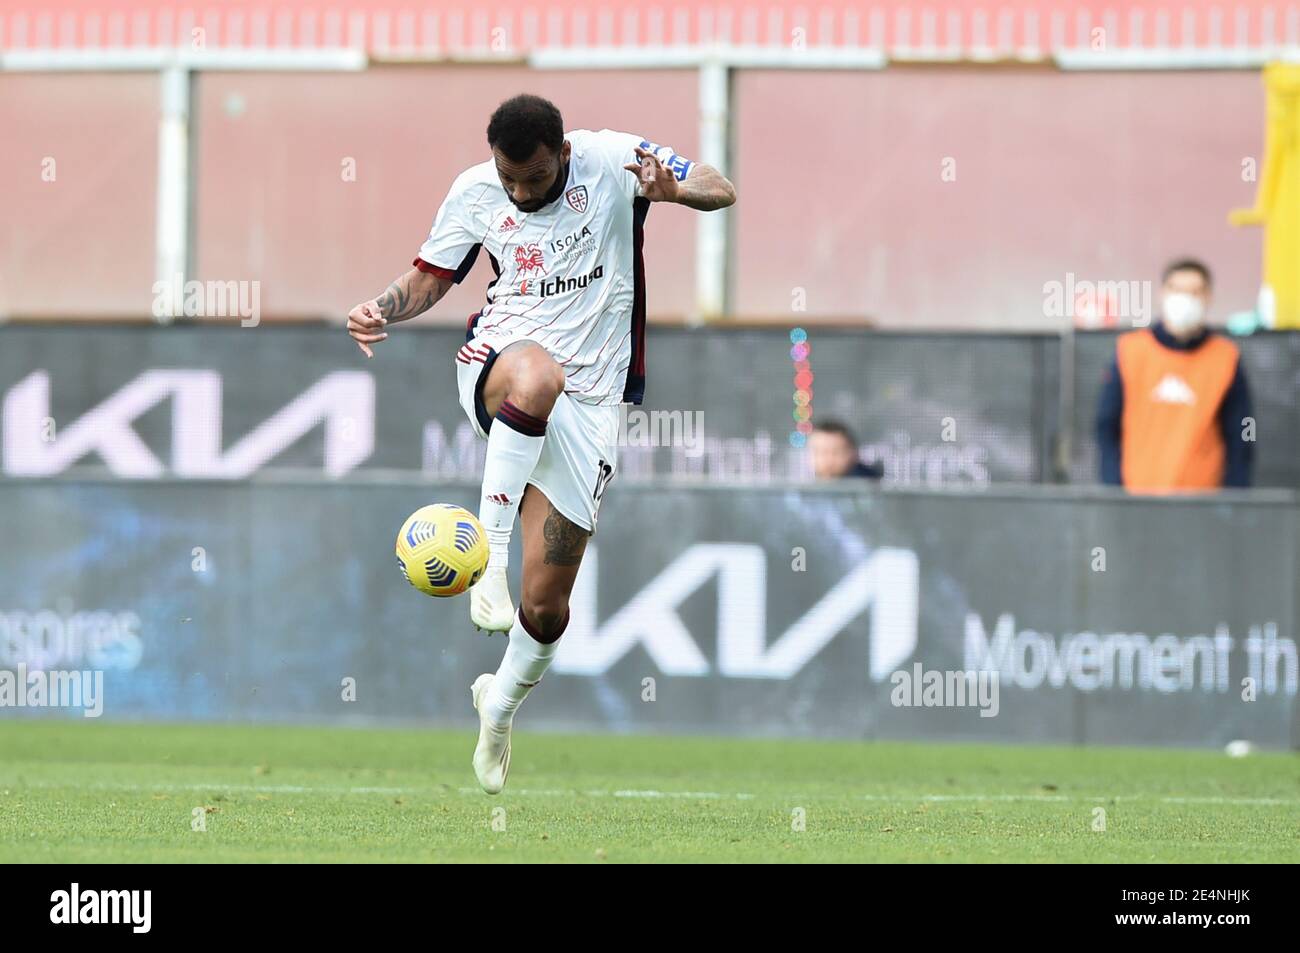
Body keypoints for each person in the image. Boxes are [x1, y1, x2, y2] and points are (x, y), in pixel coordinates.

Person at [346, 95, 736, 794]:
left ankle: (497, 707)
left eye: (534, 179)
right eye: (510, 180)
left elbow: (720, 184)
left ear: (562, 151)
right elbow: (432, 276)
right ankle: (487, 558)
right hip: (502, 362)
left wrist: (676, 191)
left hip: (592, 403)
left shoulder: (614, 157)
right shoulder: (474, 191)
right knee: (536, 372)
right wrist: (381, 306)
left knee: (549, 603)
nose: (521, 194)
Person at [1096, 258, 1254, 492]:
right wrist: (1113, 486)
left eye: (1195, 292)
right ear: (1163, 293)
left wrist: (1235, 494)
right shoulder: (1130, 351)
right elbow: (1106, 424)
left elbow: (1244, 429)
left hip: (1202, 503)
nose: (1186, 299)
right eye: (1178, 290)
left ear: (1208, 297)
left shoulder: (1225, 357)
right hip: (1137, 499)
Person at [809, 420, 883, 479]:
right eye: (820, 452)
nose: (828, 459)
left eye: (836, 452)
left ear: (854, 454)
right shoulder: (809, 487)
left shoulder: (868, 484)